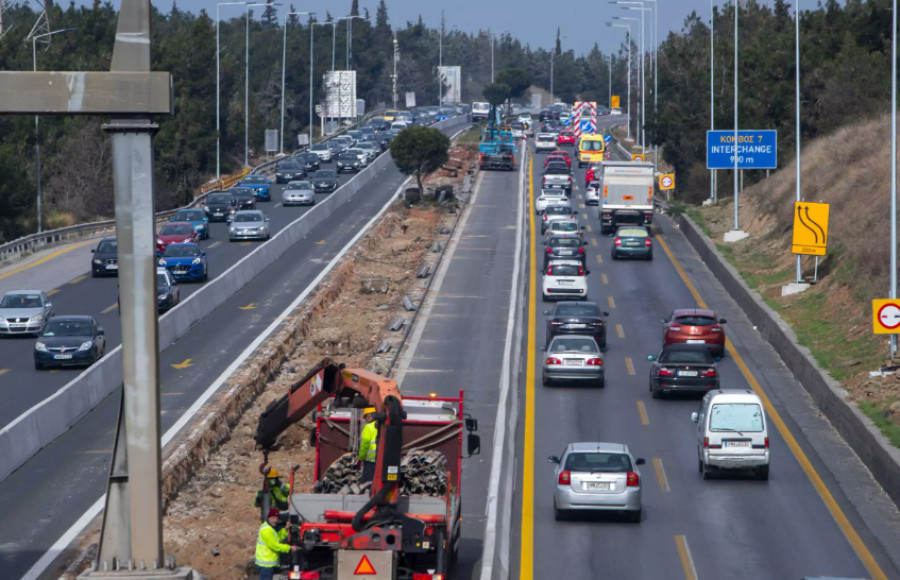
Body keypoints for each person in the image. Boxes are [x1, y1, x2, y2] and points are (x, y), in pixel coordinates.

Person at [255, 507, 296, 580]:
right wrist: (289, 548)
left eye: (277, 518)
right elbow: (274, 545)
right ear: (269, 517)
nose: (275, 520)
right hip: (266, 564)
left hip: (267, 563)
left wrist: (285, 529)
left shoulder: (270, 528)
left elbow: (277, 538)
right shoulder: (267, 530)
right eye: (273, 518)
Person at [358, 407, 378, 484]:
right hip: (381, 460)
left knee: (366, 483)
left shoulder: (368, 427)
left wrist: (361, 457)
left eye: (366, 416)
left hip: (370, 461)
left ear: (370, 416)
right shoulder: (382, 425)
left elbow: (365, 444)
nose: (366, 419)